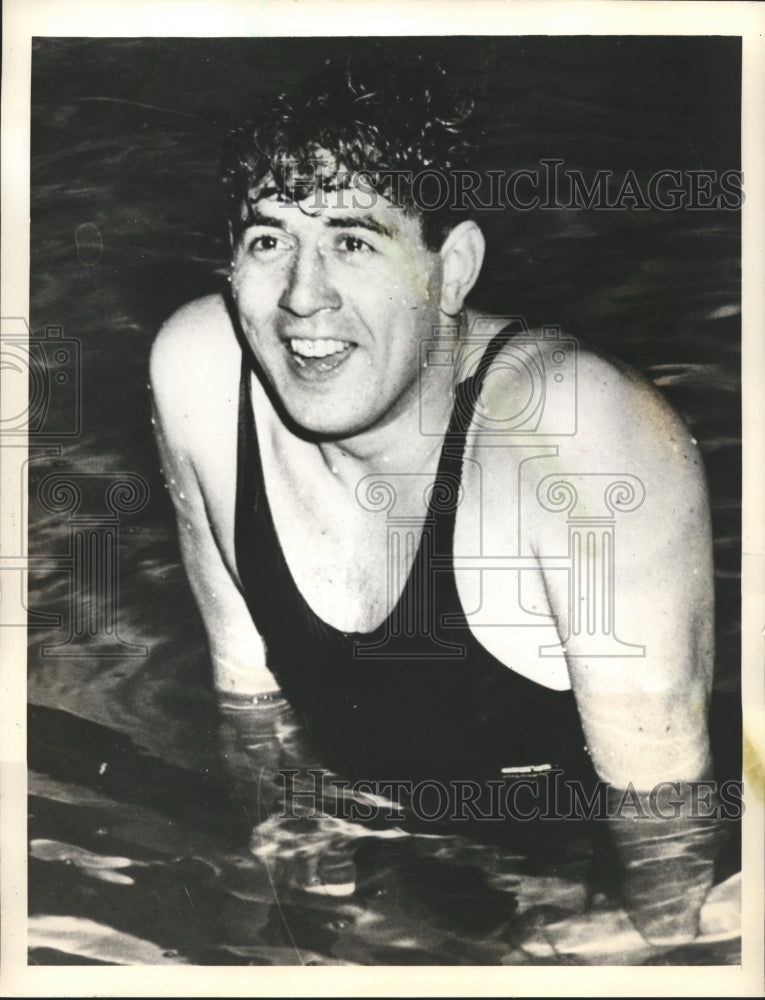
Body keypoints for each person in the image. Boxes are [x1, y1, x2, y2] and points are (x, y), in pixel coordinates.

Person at [150, 51, 727, 952]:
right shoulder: (200, 369)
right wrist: (286, 906)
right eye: (268, 240)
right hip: (384, 859)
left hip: (581, 878)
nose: (302, 297)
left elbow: (668, 840)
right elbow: (252, 714)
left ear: (451, 270)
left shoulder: (576, 436)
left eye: (353, 241)